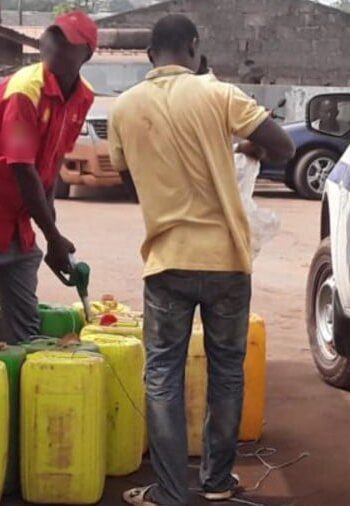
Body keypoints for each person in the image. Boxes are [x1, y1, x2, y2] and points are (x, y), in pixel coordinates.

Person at [108, 15, 295, 506]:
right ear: (193, 48)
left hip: (167, 262)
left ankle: (170, 492)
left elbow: (129, 183)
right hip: (228, 262)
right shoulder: (220, 96)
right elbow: (283, 146)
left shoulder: (123, 109)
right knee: (227, 371)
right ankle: (216, 482)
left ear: (150, 54)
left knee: (163, 375)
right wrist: (240, 145)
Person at [0, 11, 98, 344]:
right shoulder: (24, 91)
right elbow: (22, 169)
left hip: (19, 225)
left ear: (86, 53)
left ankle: (23, 393)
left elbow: (52, 163)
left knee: (27, 327)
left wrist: (50, 220)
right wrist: (53, 237)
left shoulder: (83, 97)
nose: (53, 45)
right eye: (51, 36)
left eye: (65, 41)